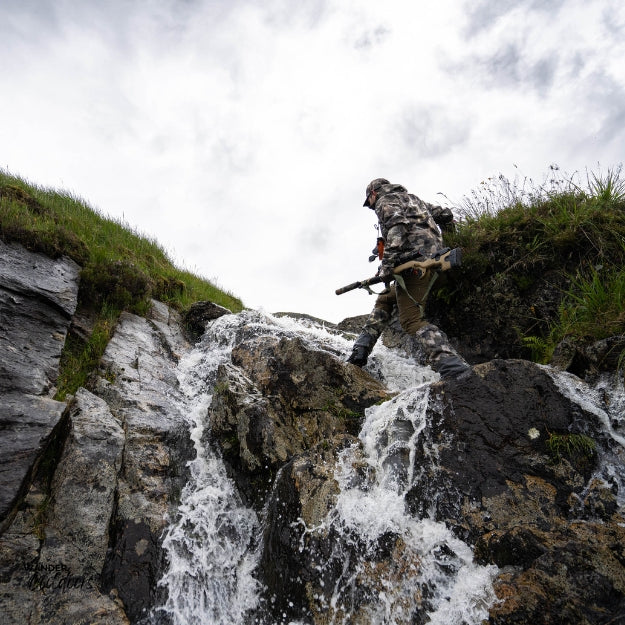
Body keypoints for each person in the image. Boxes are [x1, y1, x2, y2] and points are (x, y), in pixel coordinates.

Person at [347, 178, 469, 379]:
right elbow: (446, 215)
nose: (372, 206)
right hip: (439, 264)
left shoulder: (384, 202)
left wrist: (386, 266)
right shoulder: (414, 200)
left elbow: (397, 227)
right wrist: (448, 242)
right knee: (386, 297)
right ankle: (359, 354)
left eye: (370, 202)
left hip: (416, 269)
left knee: (411, 321)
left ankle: (453, 367)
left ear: (373, 194)